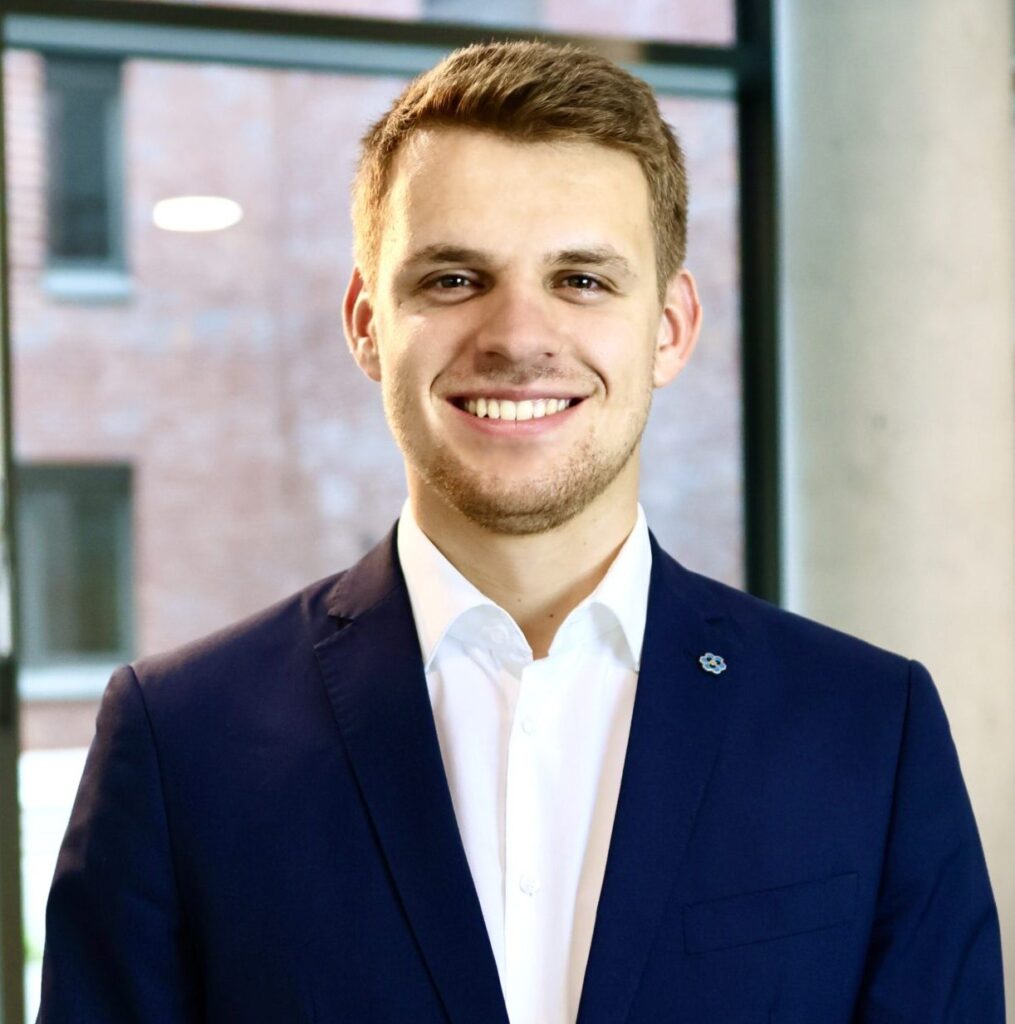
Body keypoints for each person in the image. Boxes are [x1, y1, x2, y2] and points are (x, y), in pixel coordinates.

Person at [37, 40, 1004, 1024]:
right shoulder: (180, 741)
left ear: (669, 327)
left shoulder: (866, 729)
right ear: (366, 322)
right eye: (454, 279)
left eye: (581, 280)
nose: (516, 338)